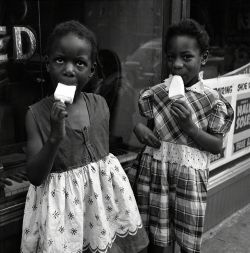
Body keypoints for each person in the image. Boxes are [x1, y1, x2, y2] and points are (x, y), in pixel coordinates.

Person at [20, 20, 148, 253]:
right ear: (48, 64)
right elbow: (36, 176)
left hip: (100, 208)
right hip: (63, 215)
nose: (69, 69)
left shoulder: (100, 104)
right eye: (60, 60)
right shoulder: (36, 114)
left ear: (91, 71)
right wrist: (55, 137)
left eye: (79, 63)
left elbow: (102, 159)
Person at [127, 19, 234, 253]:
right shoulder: (156, 93)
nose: (176, 65)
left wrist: (191, 128)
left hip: (189, 180)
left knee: (187, 240)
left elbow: (216, 145)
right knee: (157, 239)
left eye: (186, 57)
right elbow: (149, 126)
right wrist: (140, 130)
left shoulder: (212, 100)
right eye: (171, 57)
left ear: (203, 58)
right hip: (156, 174)